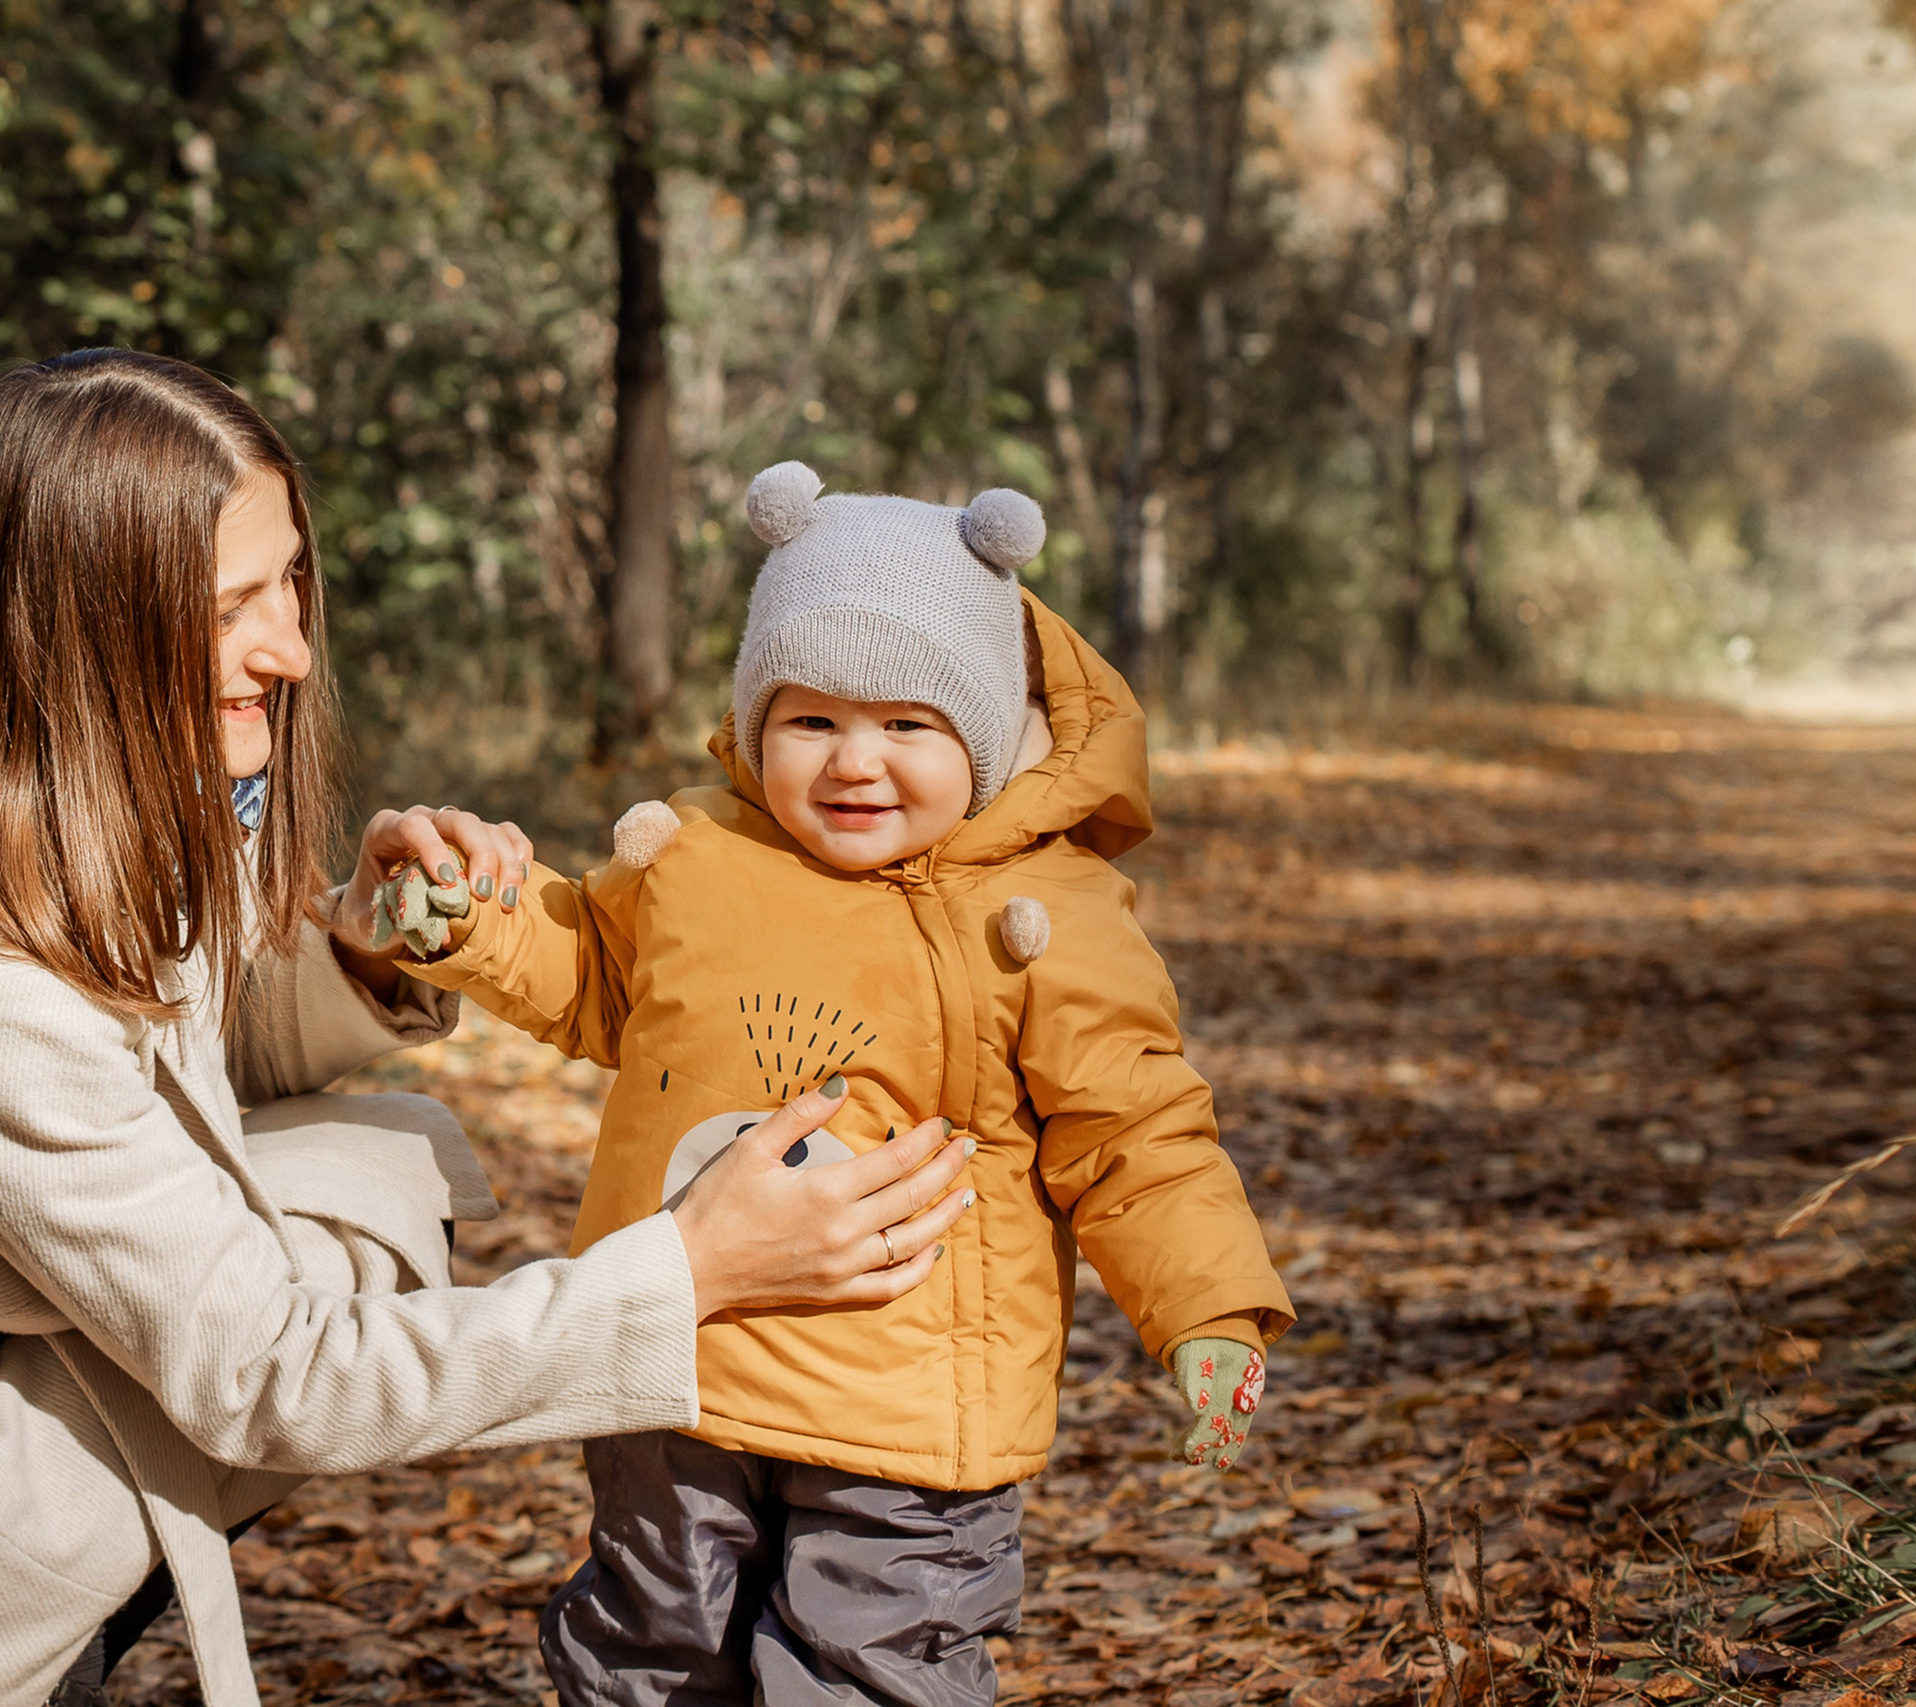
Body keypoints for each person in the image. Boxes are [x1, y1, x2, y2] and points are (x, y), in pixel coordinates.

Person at [0, 359, 974, 1707]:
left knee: (380, 1159)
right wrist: (687, 1265)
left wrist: (360, 949)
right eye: (234, 601)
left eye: (291, 578)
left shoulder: (21, 812)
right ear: (85, 626)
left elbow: (156, 1072)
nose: (290, 646)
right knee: (336, 1259)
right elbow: (275, 1377)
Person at [368, 461, 1296, 1707]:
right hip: (674, 1361)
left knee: (864, 1672)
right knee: (648, 1648)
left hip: (907, 1405)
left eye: (907, 725)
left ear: (977, 732)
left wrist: (1208, 1314)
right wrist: (467, 927)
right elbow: (593, 973)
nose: (855, 761)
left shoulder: (1046, 914)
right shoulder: (699, 859)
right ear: (758, 724)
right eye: (811, 721)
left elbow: (1136, 1134)